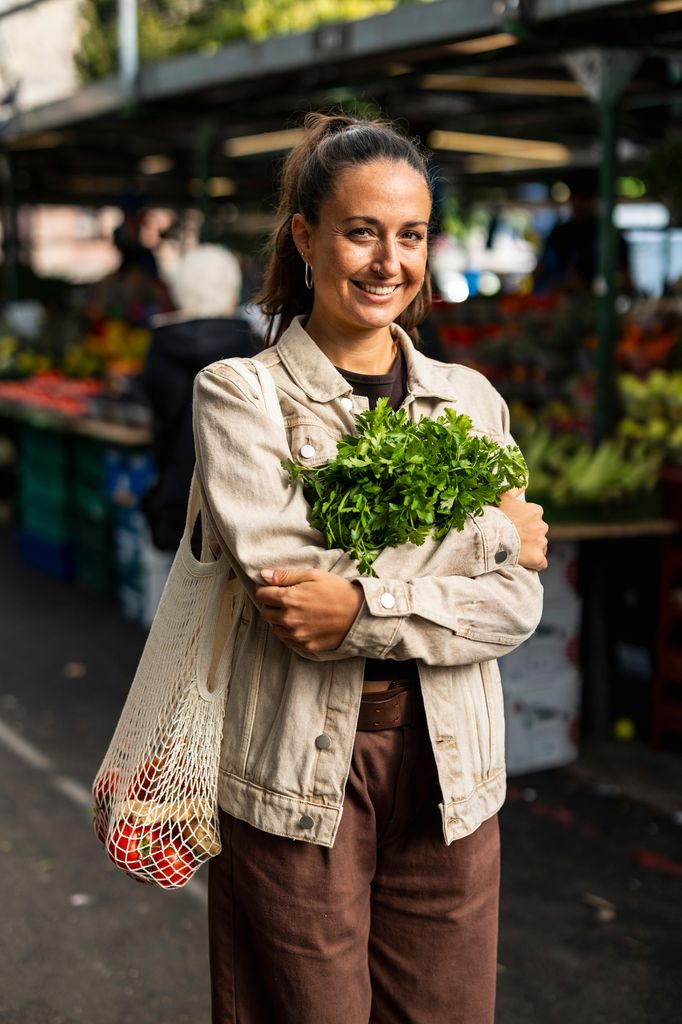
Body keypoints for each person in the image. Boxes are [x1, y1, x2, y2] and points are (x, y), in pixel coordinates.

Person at [192, 113, 548, 1024]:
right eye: (361, 231)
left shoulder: (468, 400)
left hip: (449, 768)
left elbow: (515, 609)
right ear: (306, 237)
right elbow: (292, 592)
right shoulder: (240, 395)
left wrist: (360, 600)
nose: (390, 261)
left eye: (412, 234)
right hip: (297, 768)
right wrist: (492, 537)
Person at [141, 244, 258, 550]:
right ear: (233, 292)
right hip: (241, 507)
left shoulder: (161, 346)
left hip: (177, 495)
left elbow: (161, 421)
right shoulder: (253, 347)